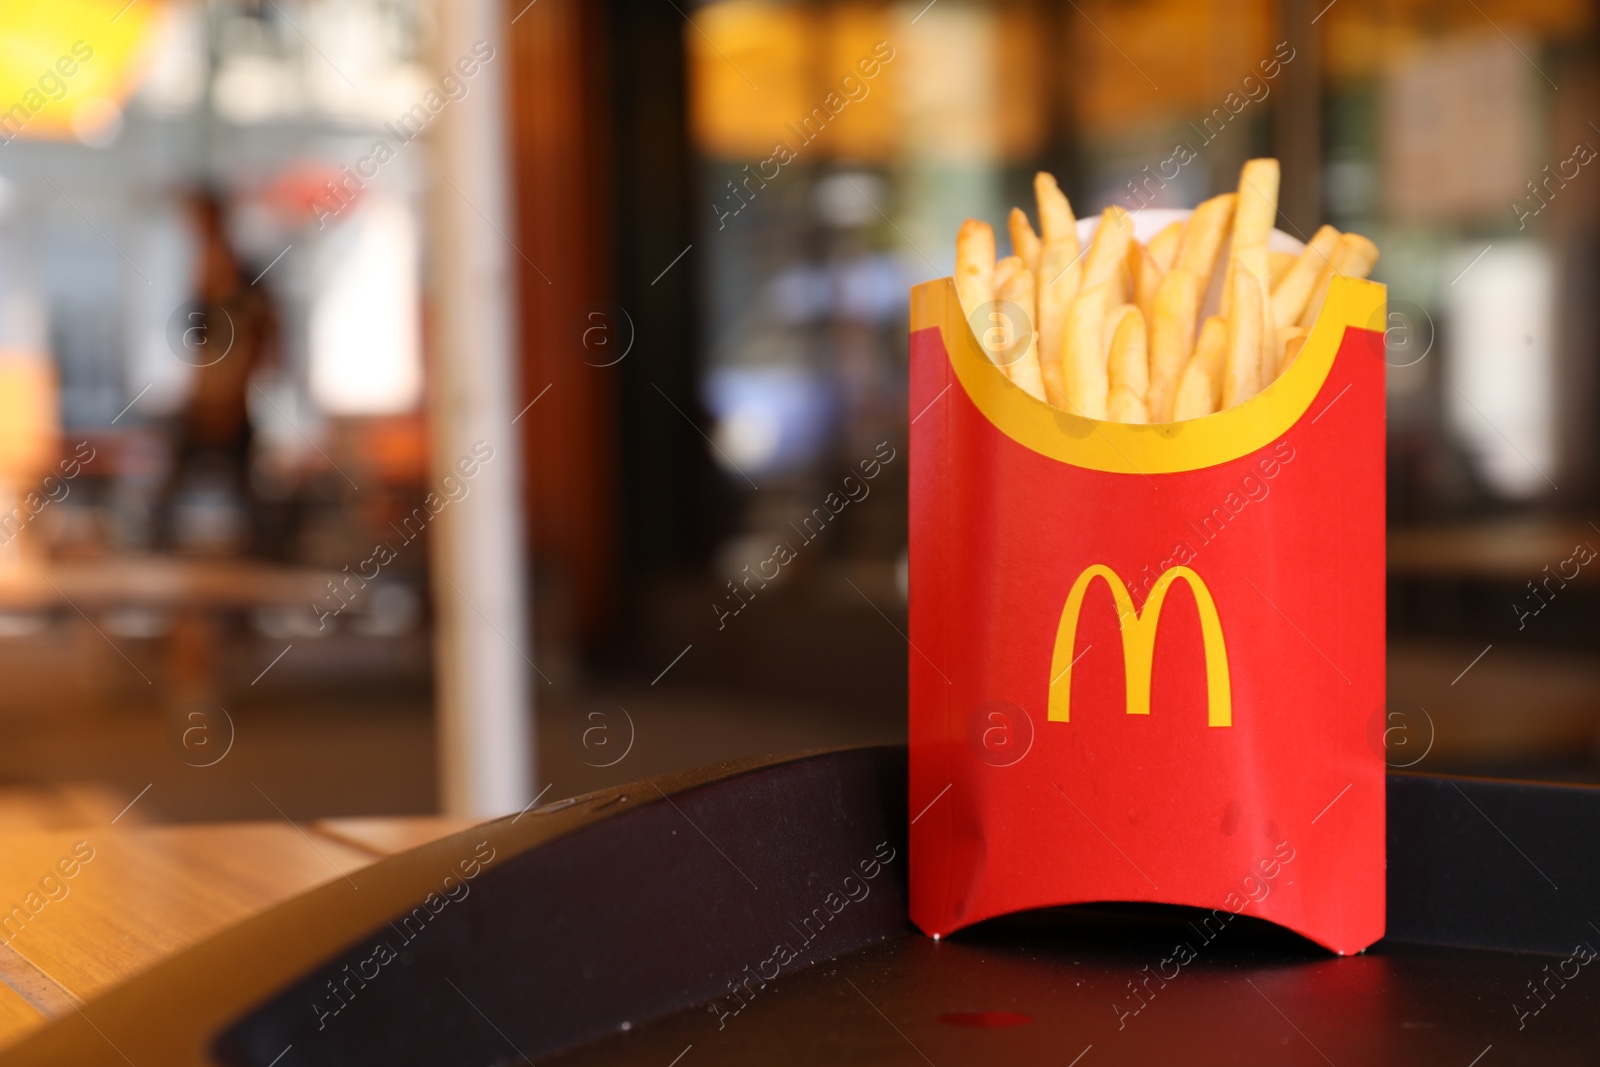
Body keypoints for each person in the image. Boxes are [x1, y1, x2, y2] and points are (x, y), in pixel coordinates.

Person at [156, 190, 280, 553]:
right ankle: (255, 544)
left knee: (237, 479)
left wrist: (233, 384)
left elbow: (251, 336)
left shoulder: (237, 276)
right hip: (214, 388)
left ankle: (259, 546)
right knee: (212, 475)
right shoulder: (209, 269)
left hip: (228, 391)